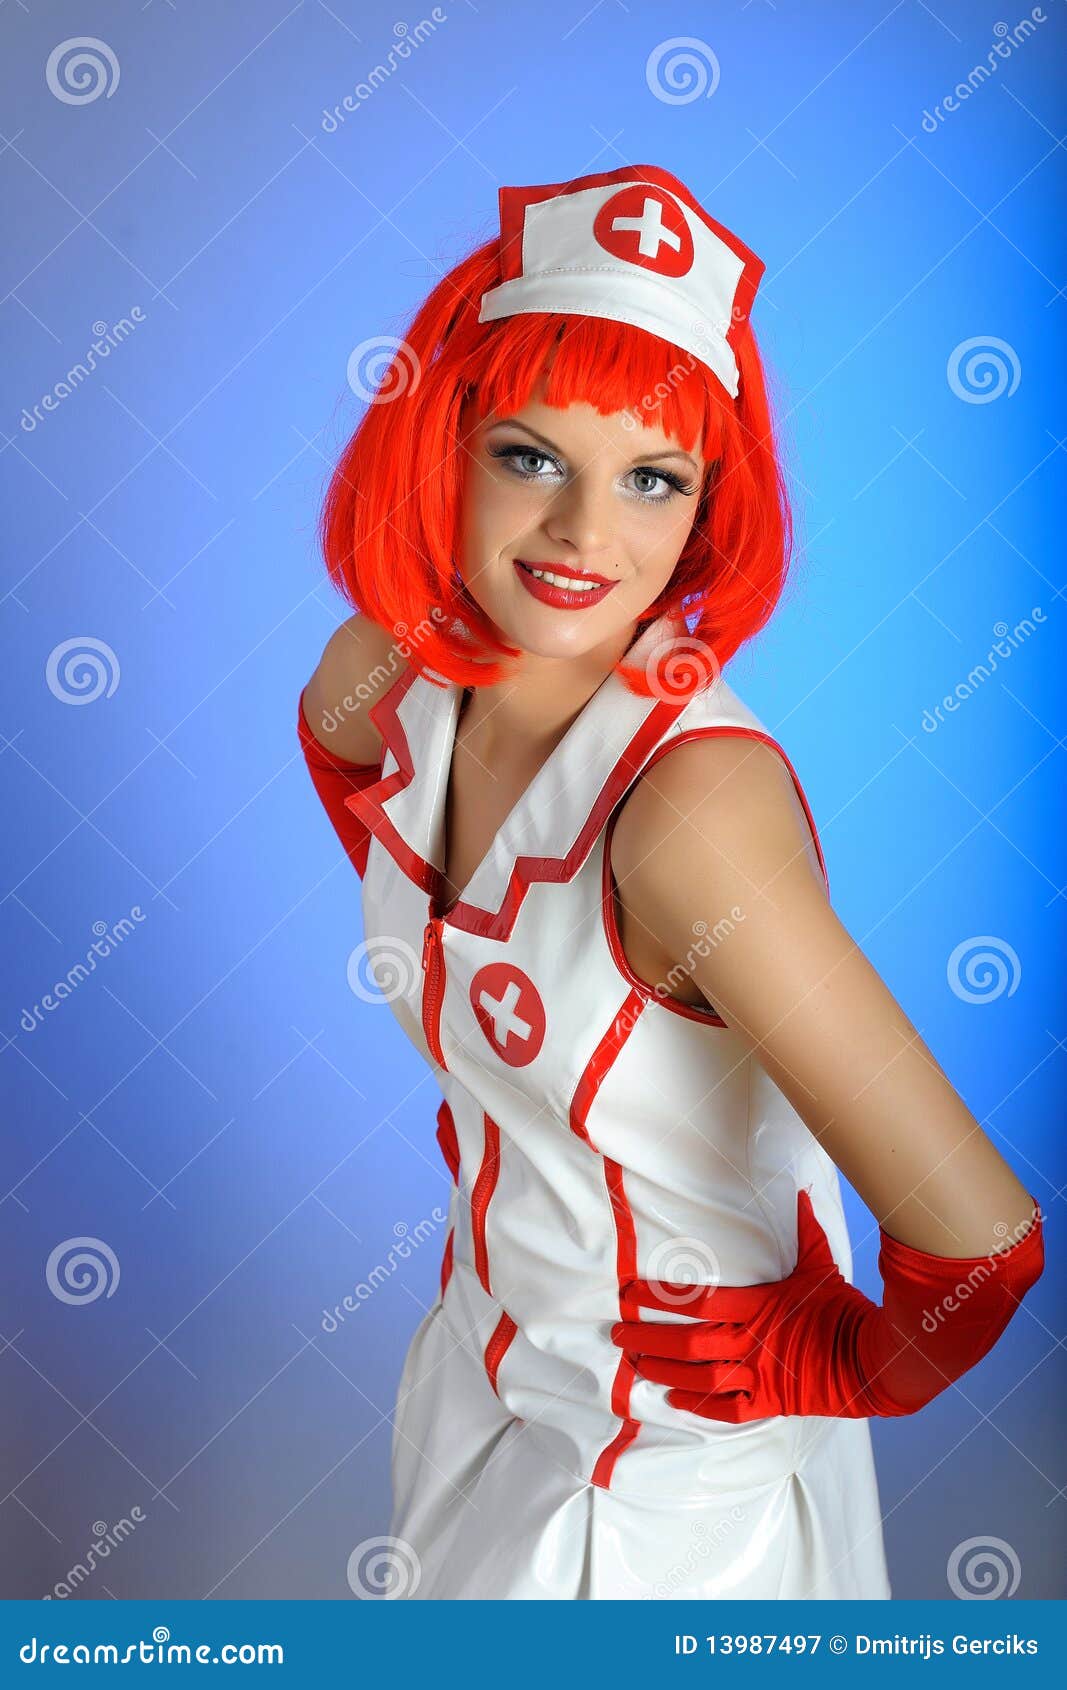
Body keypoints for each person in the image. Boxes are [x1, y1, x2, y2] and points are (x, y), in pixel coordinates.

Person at [298, 165, 1044, 1600]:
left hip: (669, 1496)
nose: (587, 533)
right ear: (441, 445)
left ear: (707, 505)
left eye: (653, 478)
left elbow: (982, 1243)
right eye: (531, 456)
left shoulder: (689, 817)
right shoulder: (381, 680)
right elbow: (362, 789)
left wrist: (841, 1361)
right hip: (475, 1387)